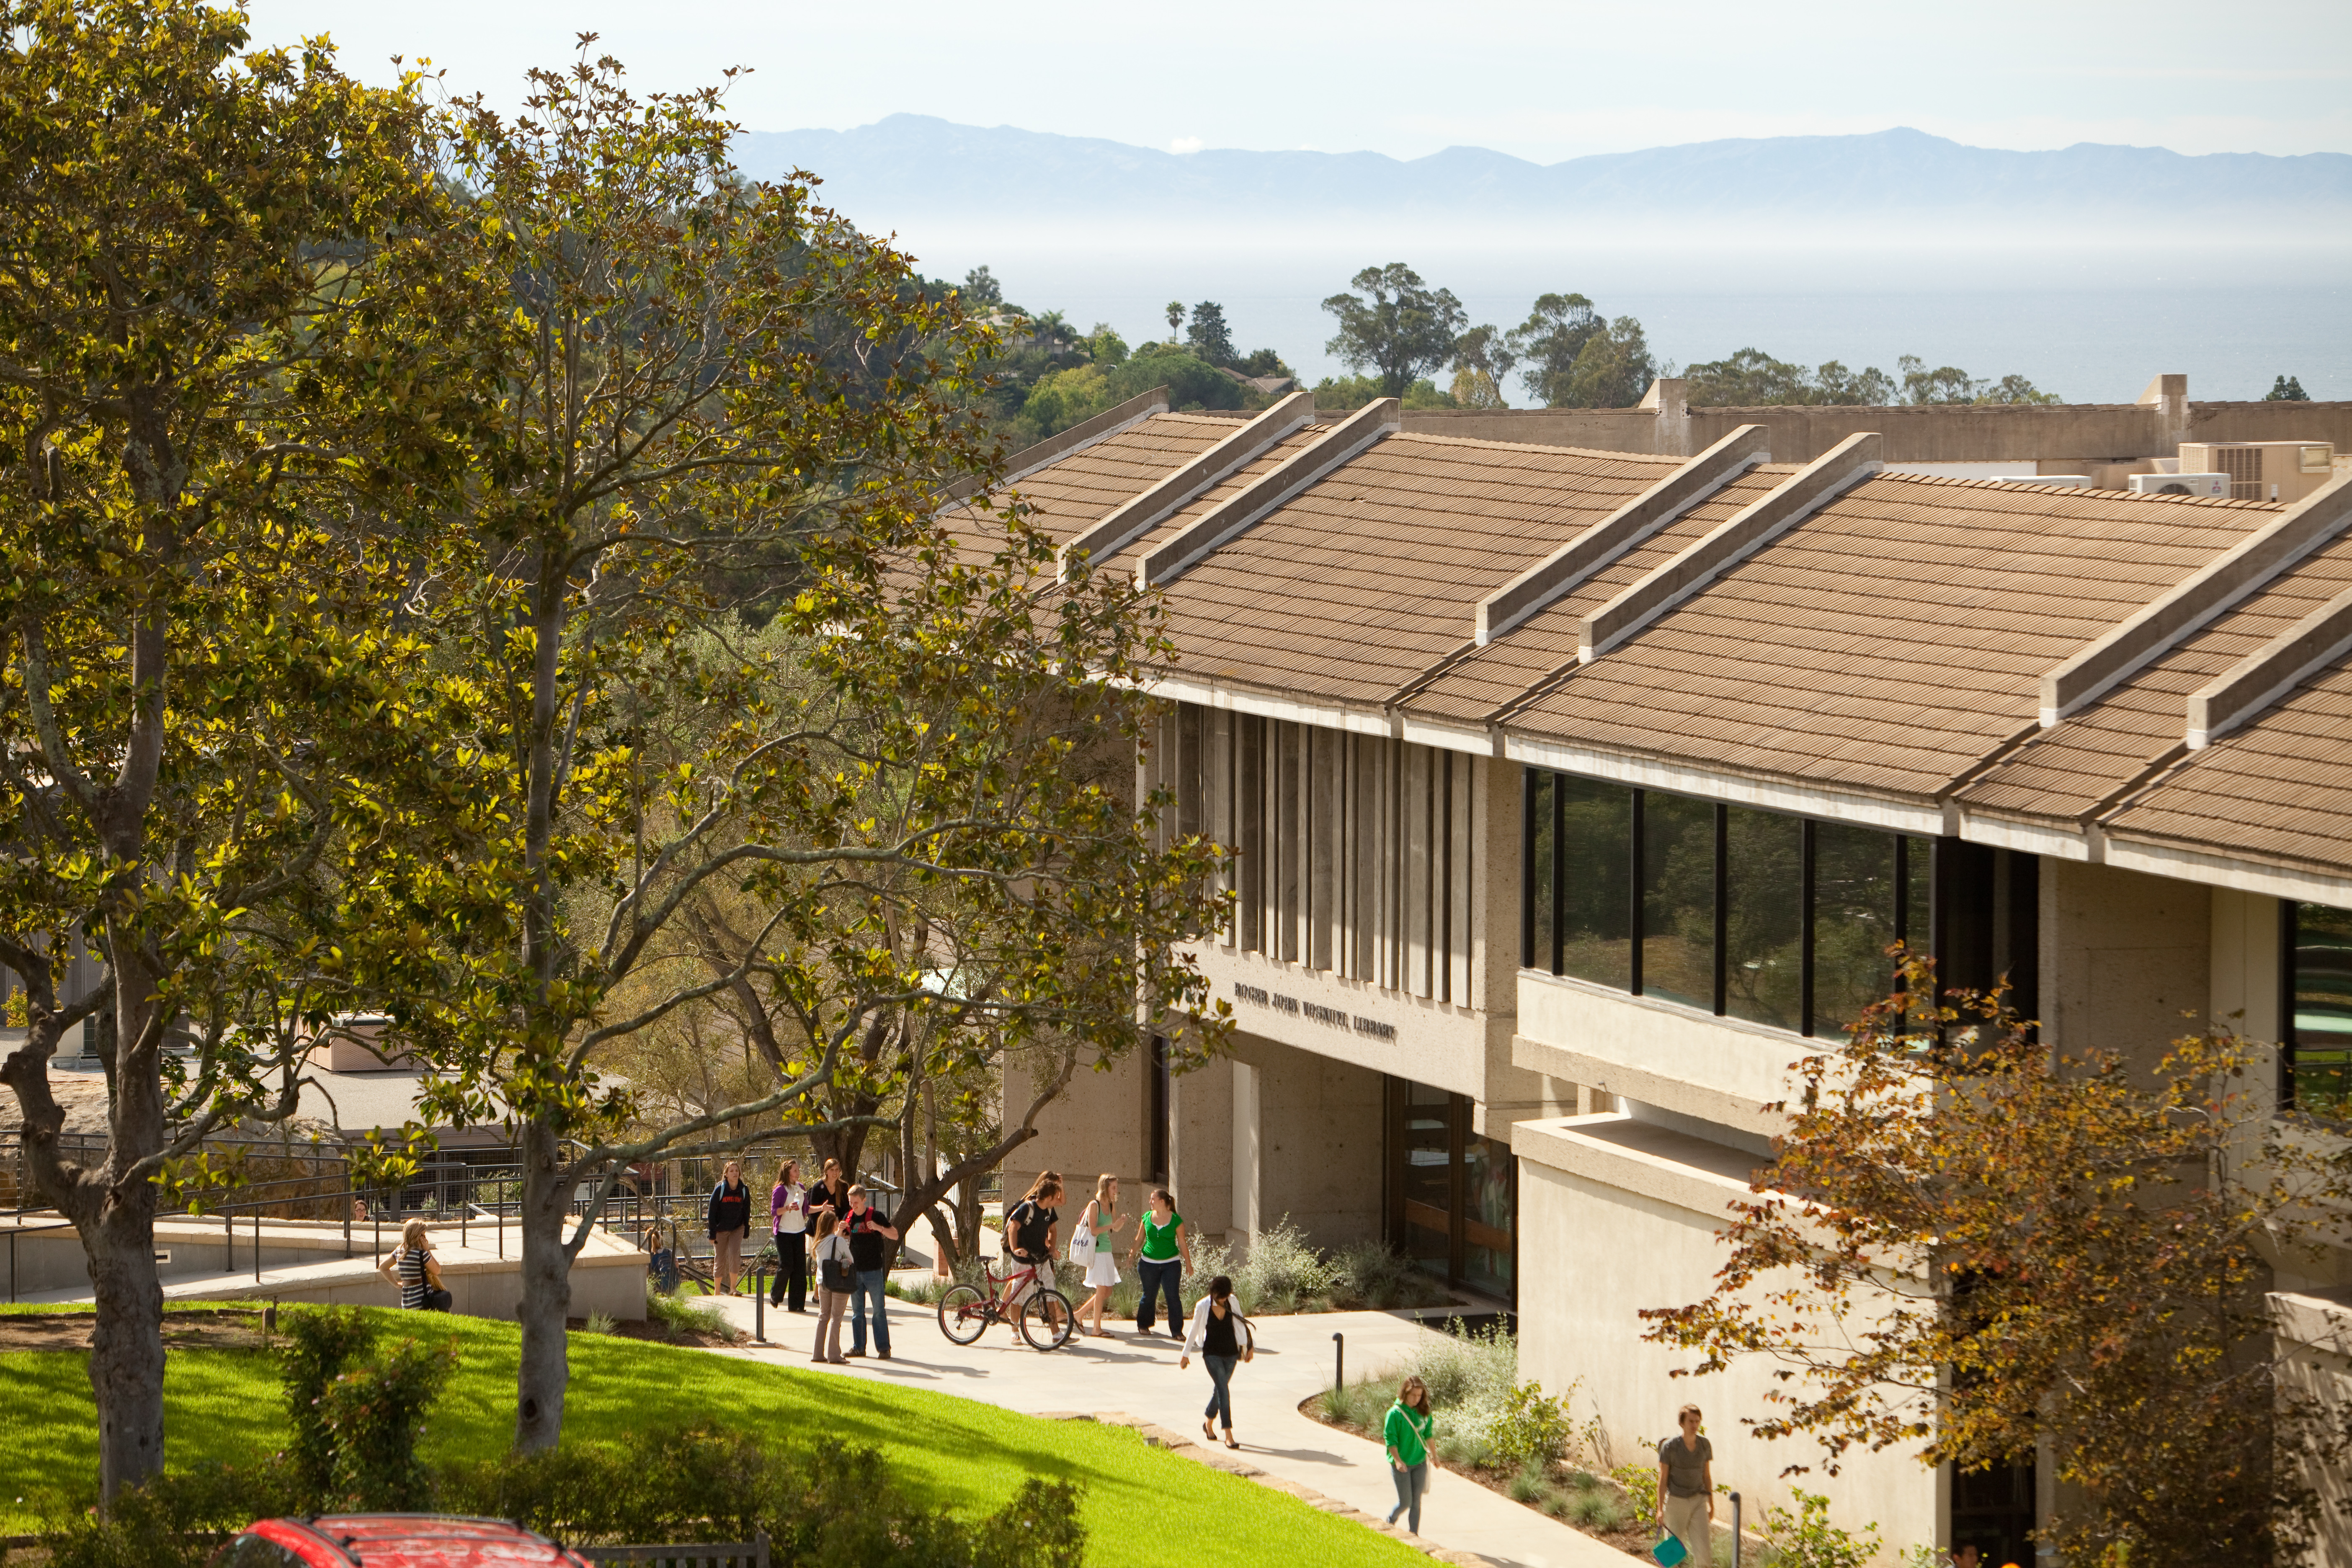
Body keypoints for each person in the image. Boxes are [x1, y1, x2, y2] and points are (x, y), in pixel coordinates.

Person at [1178, 1274, 1253, 1449]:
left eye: (1226, 1296)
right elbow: (1194, 1329)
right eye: (1221, 1297)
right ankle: (1228, 1434)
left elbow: (1242, 1323)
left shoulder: (1232, 1301)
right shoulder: (1203, 1306)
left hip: (1231, 1353)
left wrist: (1249, 1347)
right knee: (1224, 1390)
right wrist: (1185, 1354)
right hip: (1211, 1353)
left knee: (1219, 1390)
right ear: (1213, 1294)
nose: (1223, 1299)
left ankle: (1208, 1423)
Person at [843, 1184, 899, 1361]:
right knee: (857, 1312)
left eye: (856, 1203)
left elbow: (895, 1235)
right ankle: (858, 1347)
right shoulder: (849, 1217)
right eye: (851, 1202)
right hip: (855, 1271)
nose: (853, 1206)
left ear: (864, 1200)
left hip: (874, 1271)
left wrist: (878, 1228)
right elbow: (842, 1239)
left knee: (878, 1311)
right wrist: (840, 1230)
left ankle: (884, 1349)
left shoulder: (876, 1216)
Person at [1656, 1403, 1716, 1568]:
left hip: (1698, 1501)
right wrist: (1660, 1509)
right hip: (1677, 1502)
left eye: (1698, 1421)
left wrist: (1711, 1504)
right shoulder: (1670, 1447)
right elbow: (1663, 1479)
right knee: (1672, 1555)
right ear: (1682, 1423)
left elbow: (1707, 1476)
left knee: (1704, 1553)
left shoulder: (1705, 1445)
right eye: (1691, 1421)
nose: (1695, 1425)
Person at [1073, 1173, 1132, 1337]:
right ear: (1105, 1188)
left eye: (1116, 1187)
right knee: (1101, 1291)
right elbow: (1093, 1231)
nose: (1116, 1190)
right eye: (1114, 1187)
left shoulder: (1112, 1205)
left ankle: (1079, 1314)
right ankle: (1096, 1328)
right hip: (1097, 1251)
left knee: (1107, 1291)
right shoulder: (1095, 1205)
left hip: (1107, 1251)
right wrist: (1112, 1225)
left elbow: (1115, 1229)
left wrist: (1119, 1223)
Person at [1132, 1186, 1191, 1335]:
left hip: (1171, 1264)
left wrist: (1189, 1264)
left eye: (1153, 1199)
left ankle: (1177, 1331)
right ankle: (1144, 1325)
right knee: (1149, 1295)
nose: (1150, 1202)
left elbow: (1182, 1243)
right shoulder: (1146, 1217)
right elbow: (1139, 1239)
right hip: (1148, 1264)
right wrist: (1131, 1255)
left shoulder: (1176, 1220)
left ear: (1162, 1201)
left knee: (1173, 1297)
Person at [1000, 1171, 1063, 1309]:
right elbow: (1022, 1229)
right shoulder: (1031, 1203)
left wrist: (1050, 1248)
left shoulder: (1047, 1205)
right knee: (1018, 1285)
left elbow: (1046, 1227)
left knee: (1020, 1283)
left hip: (1035, 1252)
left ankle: (1002, 1307)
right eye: (1055, 1185)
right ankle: (1004, 1310)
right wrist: (1015, 1249)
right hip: (1023, 1249)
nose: (1057, 1199)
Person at [1383, 1375, 1434, 1535]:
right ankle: (1391, 1520)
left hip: (1419, 1463)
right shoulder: (1394, 1414)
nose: (1417, 1399)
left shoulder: (1423, 1412)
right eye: (1413, 1395)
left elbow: (1429, 1435)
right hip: (1402, 1465)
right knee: (1405, 1502)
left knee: (1416, 1503)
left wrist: (1435, 1456)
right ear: (1405, 1394)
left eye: (1420, 1396)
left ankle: (1414, 1535)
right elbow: (1391, 1440)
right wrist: (1398, 1461)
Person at [377, 1218, 449, 1312]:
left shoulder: (399, 1251)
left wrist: (396, 1284)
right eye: (423, 1235)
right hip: (423, 1300)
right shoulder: (421, 1253)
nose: (425, 1238)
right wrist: (427, 1250)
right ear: (416, 1235)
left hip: (407, 1301)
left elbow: (383, 1267)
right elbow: (437, 1270)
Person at [809, 1210, 850, 1364]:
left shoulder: (818, 1243)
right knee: (836, 1318)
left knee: (823, 1317)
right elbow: (850, 1259)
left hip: (822, 1283)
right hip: (838, 1282)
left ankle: (818, 1353)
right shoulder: (838, 1242)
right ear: (834, 1224)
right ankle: (834, 1355)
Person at [769, 1158, 810, 1313]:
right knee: (787, 1266)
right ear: (787, 1173)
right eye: (795, 1171)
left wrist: (822, 1208)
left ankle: (797, 1305)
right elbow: (774, 1211)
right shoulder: (780, 1190)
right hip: (784, 1233)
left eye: (799, 1170)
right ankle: (775, 1295)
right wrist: (787, 1208)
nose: (798, 1174)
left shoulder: (801, 1188)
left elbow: (806, 1209)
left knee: (800, 1269)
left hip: (799, 1232)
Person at [706, 1159, 752, 1295]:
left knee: (734, 1255)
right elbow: (711, 1212)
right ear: (726, 1174)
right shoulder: (720, 1190)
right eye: (731, 1171)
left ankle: (733, 1289)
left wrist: (747, 1228)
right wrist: (712, 1233)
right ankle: (718, 1292)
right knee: (720, 1259)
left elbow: (746, 1210)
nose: (735, 1173)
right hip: (721, 1229)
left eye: (737, 1171)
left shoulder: (744, 1190)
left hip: (737, 1228)